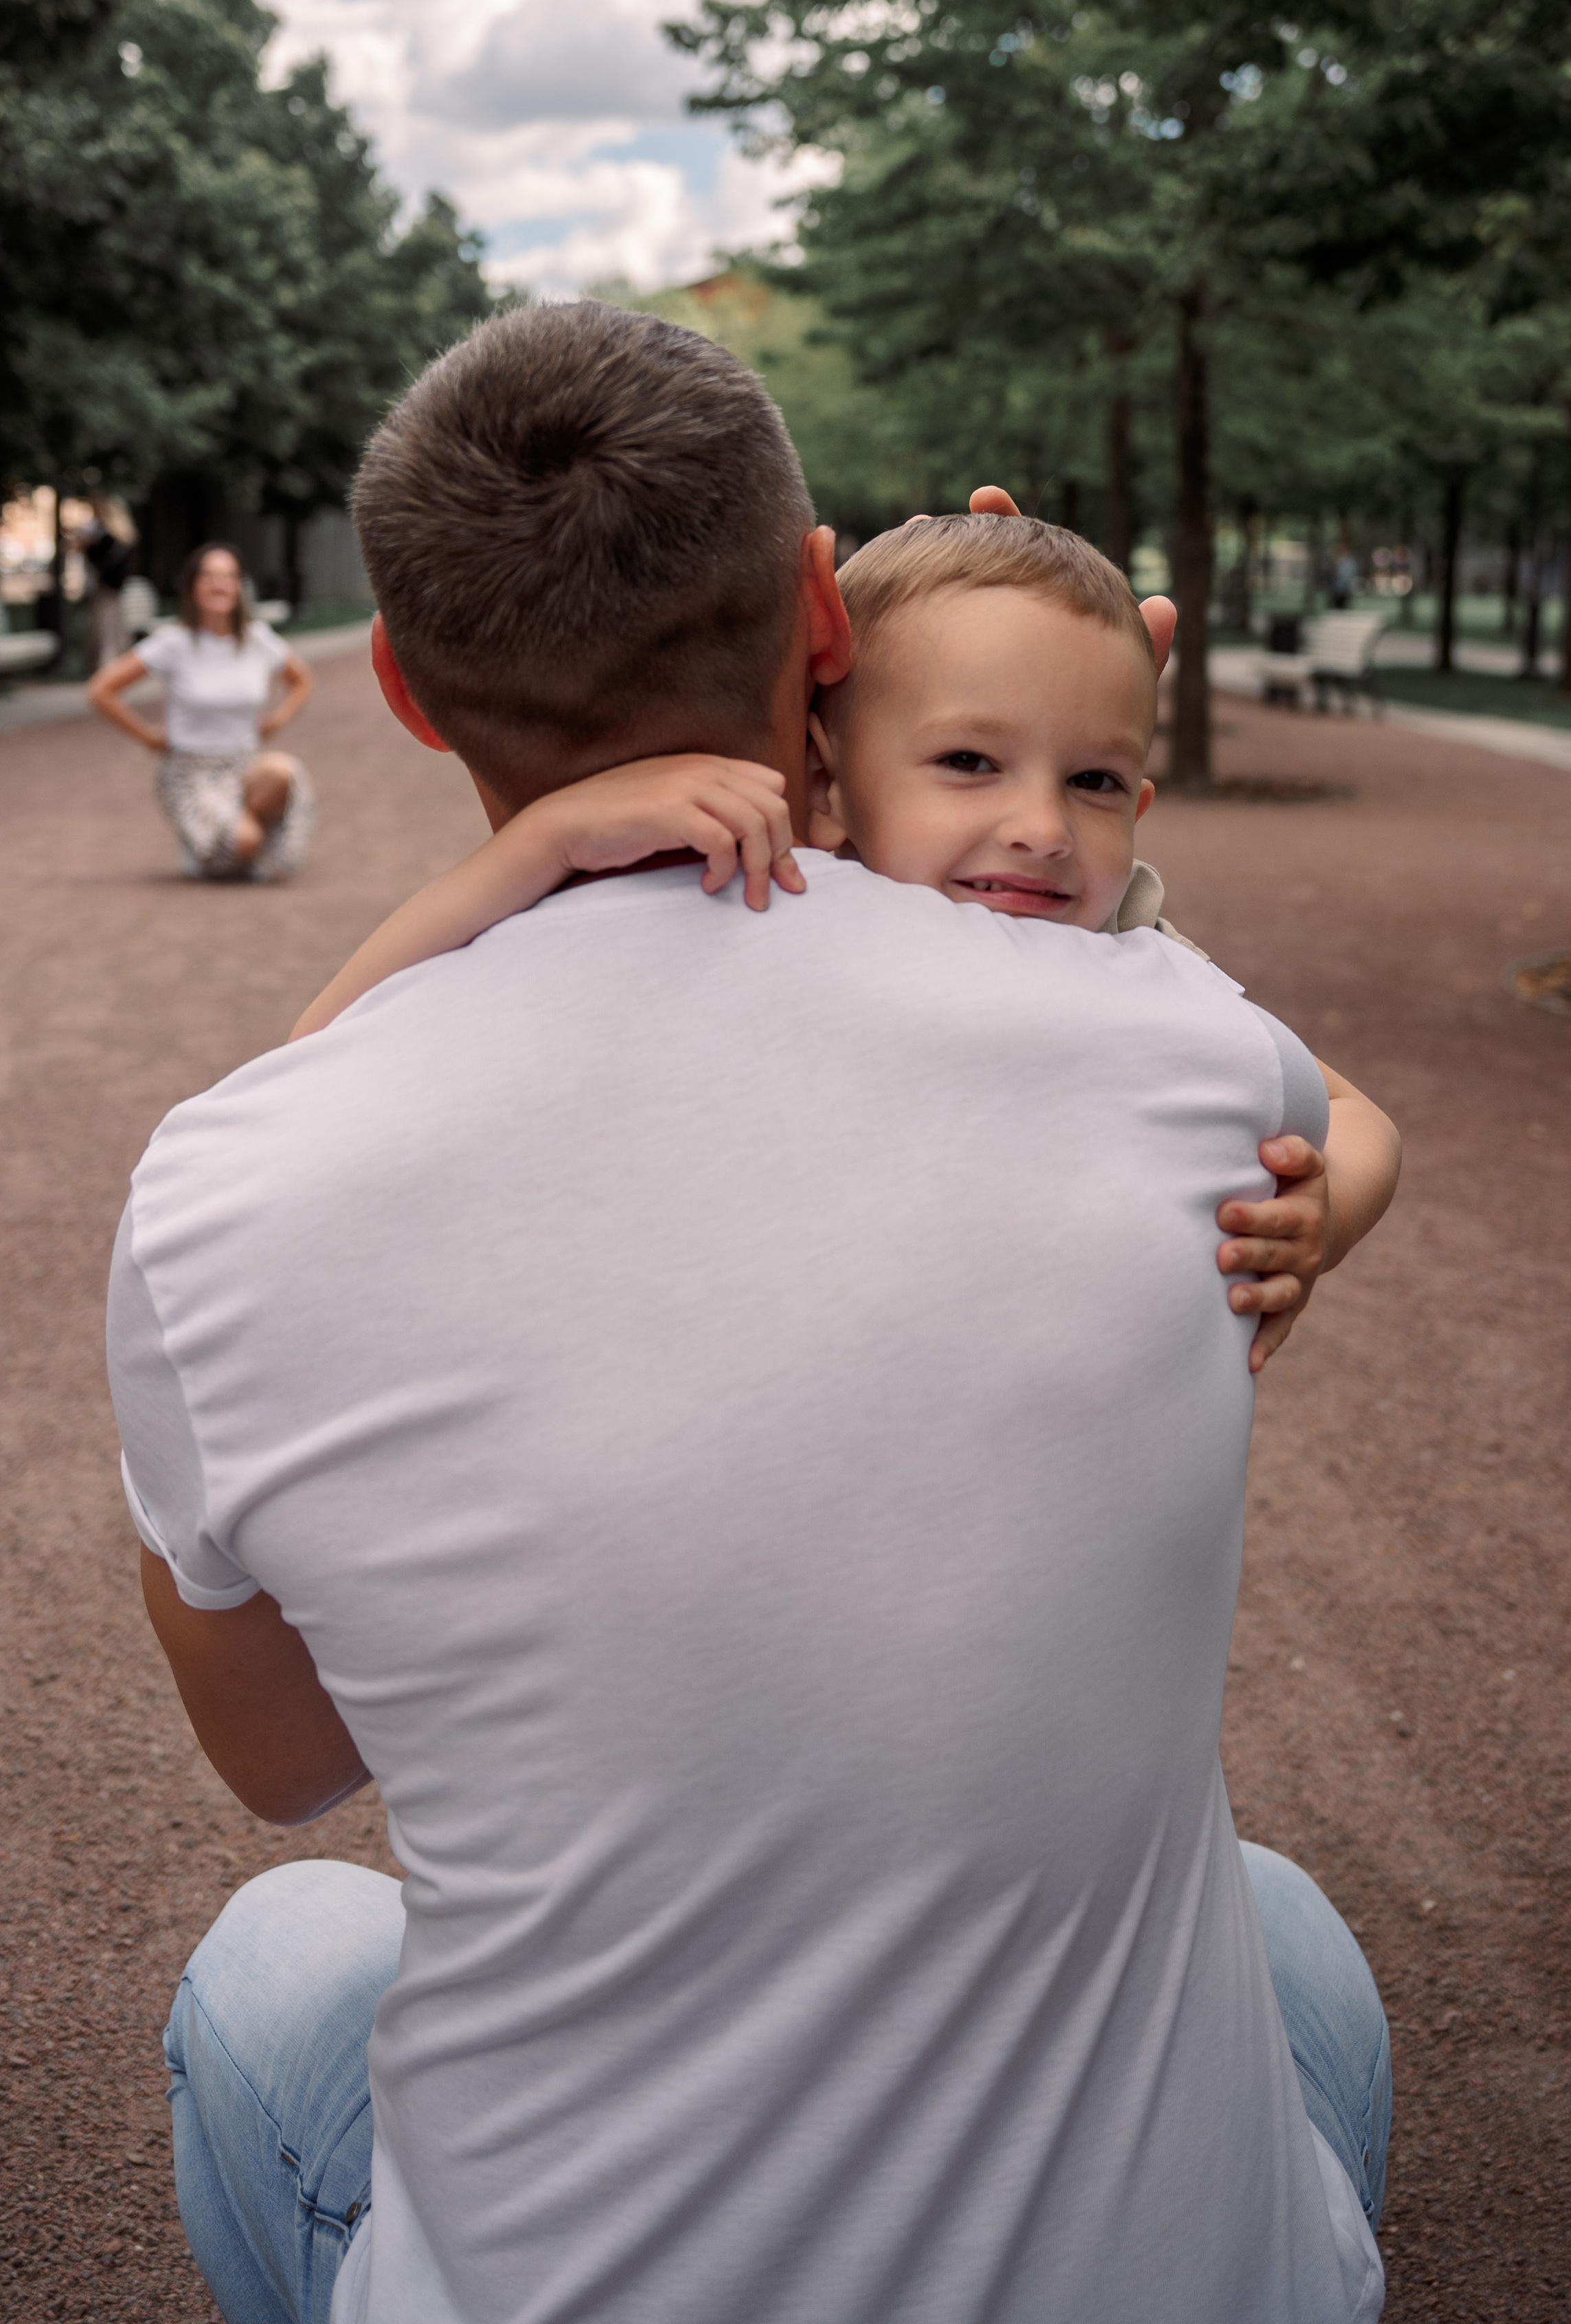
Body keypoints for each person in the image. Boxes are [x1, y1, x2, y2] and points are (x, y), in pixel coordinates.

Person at [111, 303, 1394, 2324]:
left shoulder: (226, 1191)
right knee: (1284, 1928)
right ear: (819, 610)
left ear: (402, 689)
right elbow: (1281, 1080)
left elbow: (287, 1754)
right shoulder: (1168, 1046)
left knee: (276, 1953)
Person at [289, 510, 1399, 1375]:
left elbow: (1354, 1114)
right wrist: (542, 844)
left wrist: (1322, 1213)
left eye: (1096, 781)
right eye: (970, 762)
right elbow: (327, 1044)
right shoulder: (773, 896)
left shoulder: (1122, 946)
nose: (1044, 829)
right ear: (823, 777)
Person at [89, 543, 316, 881]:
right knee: (244, 843)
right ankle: (231, 837)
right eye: (207, 577)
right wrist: (149, 738)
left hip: (243, 763)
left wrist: (276, 720)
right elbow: (101, 690)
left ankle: (236, 827)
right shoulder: (173, 642)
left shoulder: (257, 639)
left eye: (228, 576)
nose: (218, 585)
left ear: (239, 586)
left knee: (283, 772)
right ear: (193, 586)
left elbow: (302, 680)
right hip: (190, 772)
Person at [74, 495, 137, 670]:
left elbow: (94, 560)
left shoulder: (105, 537)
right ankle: (115, 663)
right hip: (116, 588)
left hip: (104, 587)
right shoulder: (126, 537)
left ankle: (106, 666)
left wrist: (85, 546)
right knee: (114, 628)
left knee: (104, 629)